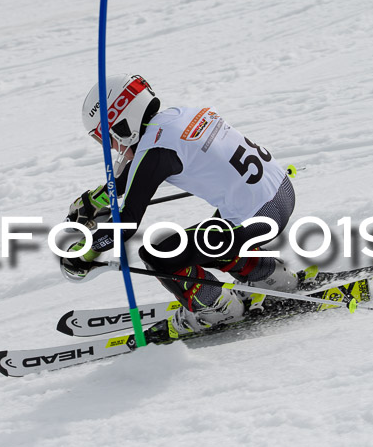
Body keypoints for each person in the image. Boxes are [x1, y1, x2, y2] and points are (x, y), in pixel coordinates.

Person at [60, 74, 298, 343]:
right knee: (208, 240)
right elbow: (136, 173)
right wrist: (96, 200)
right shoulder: (179, 116)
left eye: (107, 137)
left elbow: (127, 223)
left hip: (257, 216)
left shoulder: (156, 151)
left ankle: (218, 310)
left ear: (124, 124)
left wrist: (84, 254)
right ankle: (273, 279)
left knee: (161, 256)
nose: (112, 147)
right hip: (280, 193)